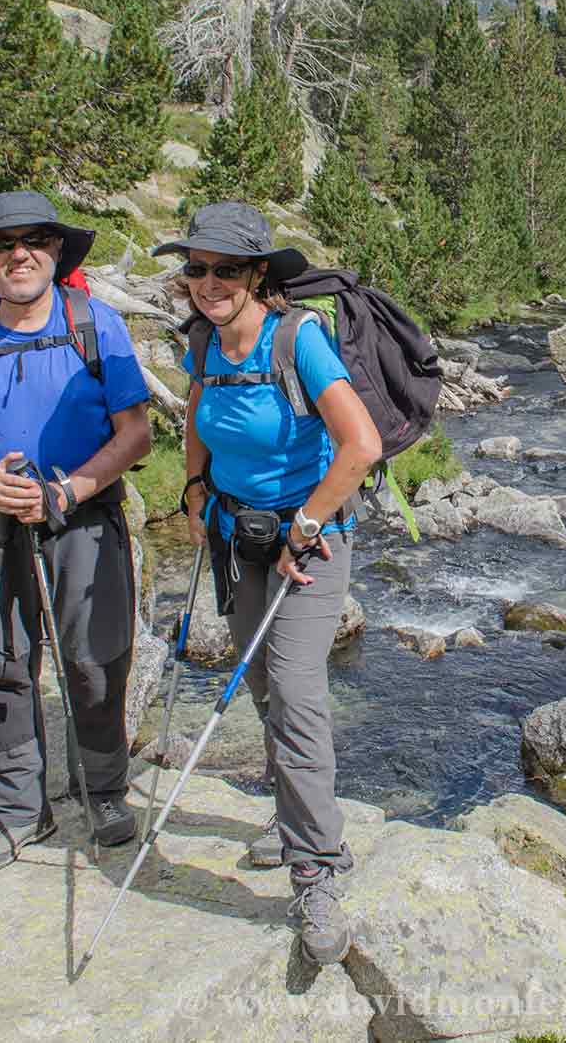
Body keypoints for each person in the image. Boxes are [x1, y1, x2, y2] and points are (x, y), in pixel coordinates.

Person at [153, 201, 381, 966]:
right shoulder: (205, 342)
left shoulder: (299, 340)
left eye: (223, 269)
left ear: (257, 275)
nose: (206, 282)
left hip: (307, 543)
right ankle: (293, 816)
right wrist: (192, 487)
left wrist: (307, 523)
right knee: (257, 683)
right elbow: (196, 413)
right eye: (195, 267)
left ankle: (317, 868)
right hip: (236, 535)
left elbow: (362, 444)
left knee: (293, 688)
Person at [0, 192, 152, 879]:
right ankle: (18, 811)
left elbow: (136, 432)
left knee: (97, 659)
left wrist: (67, 488)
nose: (20, 253)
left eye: (36, 239)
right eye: (4, 243)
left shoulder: (94, 324)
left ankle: (103, 792)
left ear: (56, 252)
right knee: (5, 667)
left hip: (83, 519)